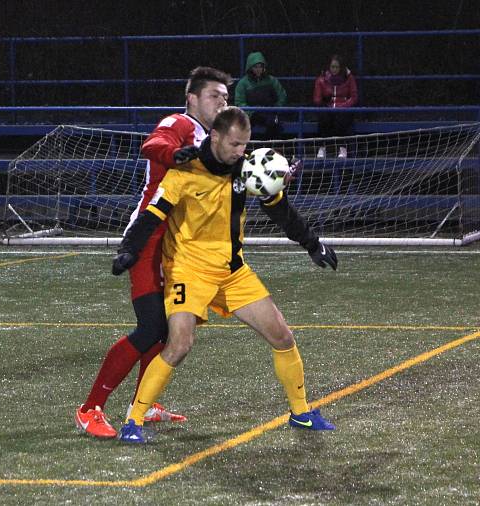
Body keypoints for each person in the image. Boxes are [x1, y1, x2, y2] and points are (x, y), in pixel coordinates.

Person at [111, 106, 338, 443]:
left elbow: (281, 212)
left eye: (244, 145)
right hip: (188, 270)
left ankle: (301, 413)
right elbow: (151, 216)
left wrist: (312, 244)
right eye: (234, 145)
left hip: (233, 272)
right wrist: (129, 249)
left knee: (283, 337)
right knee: (180, 344)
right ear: (214, 136)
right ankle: (134, 421)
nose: (240, 152)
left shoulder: (246, 171)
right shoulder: (184, 171)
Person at [74, 67, 233, 438]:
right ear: (191, 98)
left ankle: (141, 405)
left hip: (181, 246)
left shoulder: (215, 140)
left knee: (170, 331)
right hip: (149, 236)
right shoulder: (178, 123)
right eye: (214, 95)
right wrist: (179, 153)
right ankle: (89, 409)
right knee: (151, 327)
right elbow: (152, 145)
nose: (222, 102)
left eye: (226, 97)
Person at [234, 51, 288, 140]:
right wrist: (252, 112)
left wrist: (276, 109)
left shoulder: (272, 80)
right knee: (243, 128)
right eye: (255, 67)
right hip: (253, 115)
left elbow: (282, 96)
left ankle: (269, 149)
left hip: (270, 113)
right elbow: (239, 102)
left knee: (274, 125)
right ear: (250, 68)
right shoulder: (243, 83)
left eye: (260, 66)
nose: (258, 69)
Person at [313, 54, 358, 158]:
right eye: (332, 67)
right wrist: (325, 104)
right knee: (323, 118)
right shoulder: (322, 79)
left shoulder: (349, 78)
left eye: (337, 67)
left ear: (341, 67)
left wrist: (343, 106)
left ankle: (342, 148)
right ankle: (322, 148)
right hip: (327, 107)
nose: (334, 69)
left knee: (342, 119)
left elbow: (354, 97)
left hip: (343, 108)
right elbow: (317, 99)